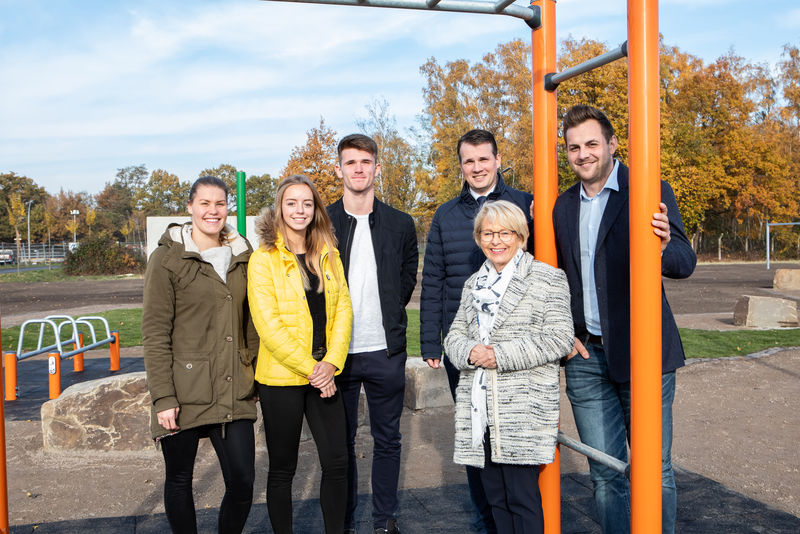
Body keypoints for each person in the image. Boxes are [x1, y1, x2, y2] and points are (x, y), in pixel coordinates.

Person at [552, 105, 697, 534]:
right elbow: (559, 279)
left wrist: (662, 246)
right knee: (605, 474)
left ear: (612, 144)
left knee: (655, 469)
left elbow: (684, 261)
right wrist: (566, 335)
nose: (583, 154)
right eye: (574, 147)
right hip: (586, 357)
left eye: (592, 144)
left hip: (644, 351)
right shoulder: (562, 206)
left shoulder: (649, 189)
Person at [420, 128, 533, 533]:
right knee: (475, 435)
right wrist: (431, 340)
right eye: (469, 161)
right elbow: (432, 279)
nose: (477, 167)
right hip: (463, 345)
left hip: (513, 343)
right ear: (462, 166)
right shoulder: (447, 215)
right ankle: (487, 520)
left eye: (484, 158)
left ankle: (519, 518)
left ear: (498, 160)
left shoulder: (525, 205)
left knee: (515, 433)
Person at [444, 200, 573, 534]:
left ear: (520, 236)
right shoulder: (473, 285)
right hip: (481, 411)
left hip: (522, 410)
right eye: (488, 233)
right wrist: (470, 350)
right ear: (478, 238)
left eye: (504, 233)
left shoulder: (546, 279)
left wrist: (498, 354)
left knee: (522, 500)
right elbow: (454, 336)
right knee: (496, 499)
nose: (496, 241)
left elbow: (559, 338)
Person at [143, 175, 259, 534]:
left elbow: (252, 323)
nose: (213, 211)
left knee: (242, 482)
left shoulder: (244, 254)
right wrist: (163, 396)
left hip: (234, 385)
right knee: (180, 480)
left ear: (228, 208)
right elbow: (155, 330)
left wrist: (253, 373)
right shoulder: (166, 258)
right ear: (190, 207)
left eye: (220, 204)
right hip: (184, 388)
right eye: (205, 203)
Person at [247, 174, 352, 534]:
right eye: (292, 203)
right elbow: (268, 325)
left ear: (316, 209)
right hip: (282, 379)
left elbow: (344, 310)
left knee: (337, 463)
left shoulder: (328, 252)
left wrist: (332, 363)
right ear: (280, 208)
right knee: (282, 470)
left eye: (307, 203)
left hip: (325, 373)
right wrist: (314, 369)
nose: (300, 210)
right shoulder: (264, 259)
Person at [327, 134, 418, 534]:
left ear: (377, 168)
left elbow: (406, 276)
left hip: (385, 351)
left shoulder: (400, 223)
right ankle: (343, 522)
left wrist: (391, 315)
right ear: (339, 170)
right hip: (337, 354)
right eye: (351, 163)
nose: (358, 169)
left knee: (388, 441)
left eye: (366, 162)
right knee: (340, 445)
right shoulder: (322, 222)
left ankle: (384, 520)